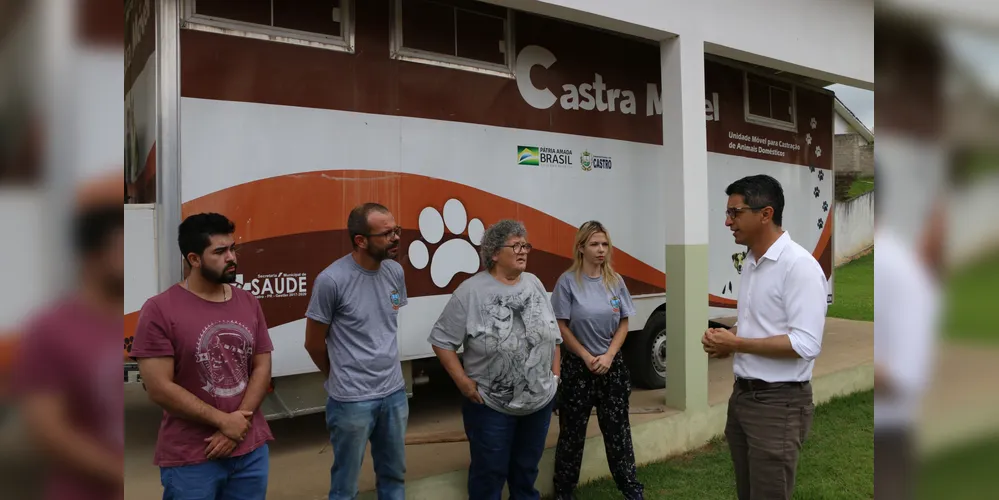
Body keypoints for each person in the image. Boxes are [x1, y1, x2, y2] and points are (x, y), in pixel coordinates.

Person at [131, 213, 274, 500]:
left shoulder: (248, 301)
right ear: (194, 259)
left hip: (250, 450)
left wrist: (238, 424)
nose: (231, 257)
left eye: (232, 248)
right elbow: (159, 387)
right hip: (193, 456)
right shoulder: (159, 309)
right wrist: (224, 422)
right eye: (219, 252)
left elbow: (262, 366)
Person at [702, 174, 827, 500]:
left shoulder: (799, 266)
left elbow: (806, 344)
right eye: (727, 212)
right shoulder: (751, 262)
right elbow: (758, 323)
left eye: (735, 212)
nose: (728, 221)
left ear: (765, 214)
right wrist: (727, 338)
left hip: (778, 404)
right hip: (743, 398)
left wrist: (737, 344)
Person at [428, 219, 562, 500]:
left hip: (538, 403)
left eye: (525, 245)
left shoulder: (535, 283)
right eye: (516, 246)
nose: (523, 251)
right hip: (491, 407)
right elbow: (442, 341)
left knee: (526, 472)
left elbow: (553, 334)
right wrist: (464, 383)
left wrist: (554, 376)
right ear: (494, 253)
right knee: (489, 475)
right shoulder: (470, 291)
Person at [11, 173, 125, 500]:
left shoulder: (150, 318)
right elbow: (48, 429)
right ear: (92, 251)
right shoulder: (51, 329)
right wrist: (120, 474)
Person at [304, 202, 409, 500]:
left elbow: (385, 325)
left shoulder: (395, 271)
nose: (395, 238)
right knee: (345, 486)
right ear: (360, 240)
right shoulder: (331, 281)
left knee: (394, 477)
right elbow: (313, 343)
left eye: (396, 230)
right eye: (386, 234)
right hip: (351, 401)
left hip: (394, 393)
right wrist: (338, 376)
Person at [551, 221, 644, 500]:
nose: (601, 249)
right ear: (581, 248)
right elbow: (561, 326)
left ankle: (631, 489)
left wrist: (609, 355)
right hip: (578, 368)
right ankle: (564, 491)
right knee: (571, 434)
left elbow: (624, 322)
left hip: (611, 367)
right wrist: (586, 356)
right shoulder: (567, 282)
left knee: (618, 432)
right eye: (594, 244)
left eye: (604, 244)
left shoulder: (615, 281)